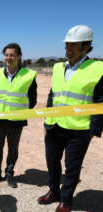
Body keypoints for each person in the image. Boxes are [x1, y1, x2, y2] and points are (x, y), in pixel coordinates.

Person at [37, 25, 103, 212]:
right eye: (67, 44)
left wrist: (94, 130)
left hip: (79, 129)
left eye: (74, 45)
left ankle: (66, 201)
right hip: (54, 126)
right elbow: (53, 95)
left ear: (87, 47)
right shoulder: (58, 67)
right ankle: (53, 192)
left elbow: (101, 102)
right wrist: (46, 120)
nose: (68, 48)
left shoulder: (99, 69)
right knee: (52, 162)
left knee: (72, 167)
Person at [0, 43, 37, 188]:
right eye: (7, 55)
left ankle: (9, 173)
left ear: (19, 56)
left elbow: (32, 99)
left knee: (13, 148)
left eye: (12, 55)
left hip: (16, 120)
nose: (9, 58)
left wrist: (19, 110)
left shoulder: (28, 75)